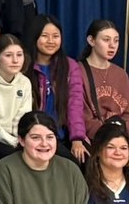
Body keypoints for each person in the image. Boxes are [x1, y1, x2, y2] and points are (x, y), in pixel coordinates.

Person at [79, 19, 129, 187]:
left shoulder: (120, 74)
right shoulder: (78, 71)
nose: (112, 45)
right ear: (91, 41)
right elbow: (82, 116)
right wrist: (112, 138)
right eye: (106, 40)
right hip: (98, 138)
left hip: (123, 136)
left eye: (116, 40)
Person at [24, 15, 88, 162]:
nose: (51, 41)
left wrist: (77, 138)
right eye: (45, 36)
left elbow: (75, 103)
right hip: (34, 132)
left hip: (61, 133)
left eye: (55, 36)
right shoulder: (24, 65)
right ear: (34, 37)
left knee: (85, 161)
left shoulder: (70, 66)